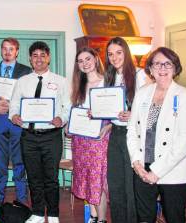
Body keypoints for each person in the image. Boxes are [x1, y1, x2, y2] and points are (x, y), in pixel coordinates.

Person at [127, 47, 186, 223]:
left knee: (174, 218)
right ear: (150, 69)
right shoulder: (142, 93)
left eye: (168, 64)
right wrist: (136, 162)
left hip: (173, 170)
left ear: (175, 68)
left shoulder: (185, 96)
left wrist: (156, 172)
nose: (162, 68)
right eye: (157, 64)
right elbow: (132, 130)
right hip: (143, 168)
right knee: (144, 217)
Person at [9, 41, 70, 223]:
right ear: (30, 59)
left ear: (48, 57)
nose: (39, 59)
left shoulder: (61, 81)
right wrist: (14, 116)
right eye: (35, 56)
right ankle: (36, 212)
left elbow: (67, 107)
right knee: (33, 176)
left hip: (51, 136)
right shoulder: (22, 82)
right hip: (28, 136)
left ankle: (52, 214)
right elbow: (13, 105)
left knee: (51, 178)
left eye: (43, 55)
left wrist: (62, 119)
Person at [104, 37, 151, 223]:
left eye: (118, 52)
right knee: (115, 185)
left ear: (126, 53)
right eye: (110, 54)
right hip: (115, 134)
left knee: (131, 186)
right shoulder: (110, 77)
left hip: (133, 135)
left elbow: (150, 108)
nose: (114, 57)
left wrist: (133, 114)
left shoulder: (140, 75)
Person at [0, 37, 31, 206]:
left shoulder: (26, 71)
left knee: (19, 162)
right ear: (1, 50)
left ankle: (22, 199)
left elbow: (30, 97)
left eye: (11, 49)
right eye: (4, 48)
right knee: (1, 165)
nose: (7, 52)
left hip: (17, 123)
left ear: (17, 51)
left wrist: (14, 106)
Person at [70, 47, 111, 223]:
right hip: (80, 140)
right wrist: (68, 127)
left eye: (88, 59)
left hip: (100, 139)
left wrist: (108, 127)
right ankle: (93, 216)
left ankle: (101, 220)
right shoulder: (79, 86)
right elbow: (75, 111)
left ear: (95, 59)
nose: (85, 63)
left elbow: (117, 112)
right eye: (80, 61)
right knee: (86, 179)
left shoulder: (108, 82)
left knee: (98, 181)